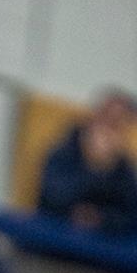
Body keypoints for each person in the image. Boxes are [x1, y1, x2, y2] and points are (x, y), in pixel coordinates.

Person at [38, 89, 137, 238]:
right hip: (50, 245)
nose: (108, 130)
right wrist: (95, 167)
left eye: (117, 123)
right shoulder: (65, 149)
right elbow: (52, 197)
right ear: (95, 116)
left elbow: (130, 217)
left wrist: (102, 218)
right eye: (107, 119)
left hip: (99, 254)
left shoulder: (125, 169)